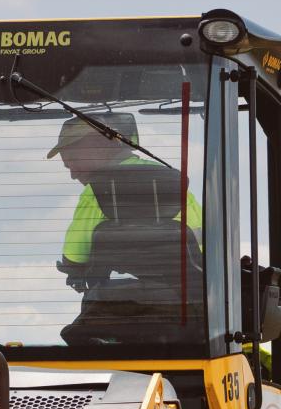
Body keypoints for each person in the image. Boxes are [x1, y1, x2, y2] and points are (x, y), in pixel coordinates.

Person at [50, 115, 203, 292]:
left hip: (121, 308)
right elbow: (204, 250)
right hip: (189, 304)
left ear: (99, 144)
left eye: (73, 163)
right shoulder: (174, 183)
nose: (73, 174)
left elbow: (74, 259)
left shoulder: (96, 191)